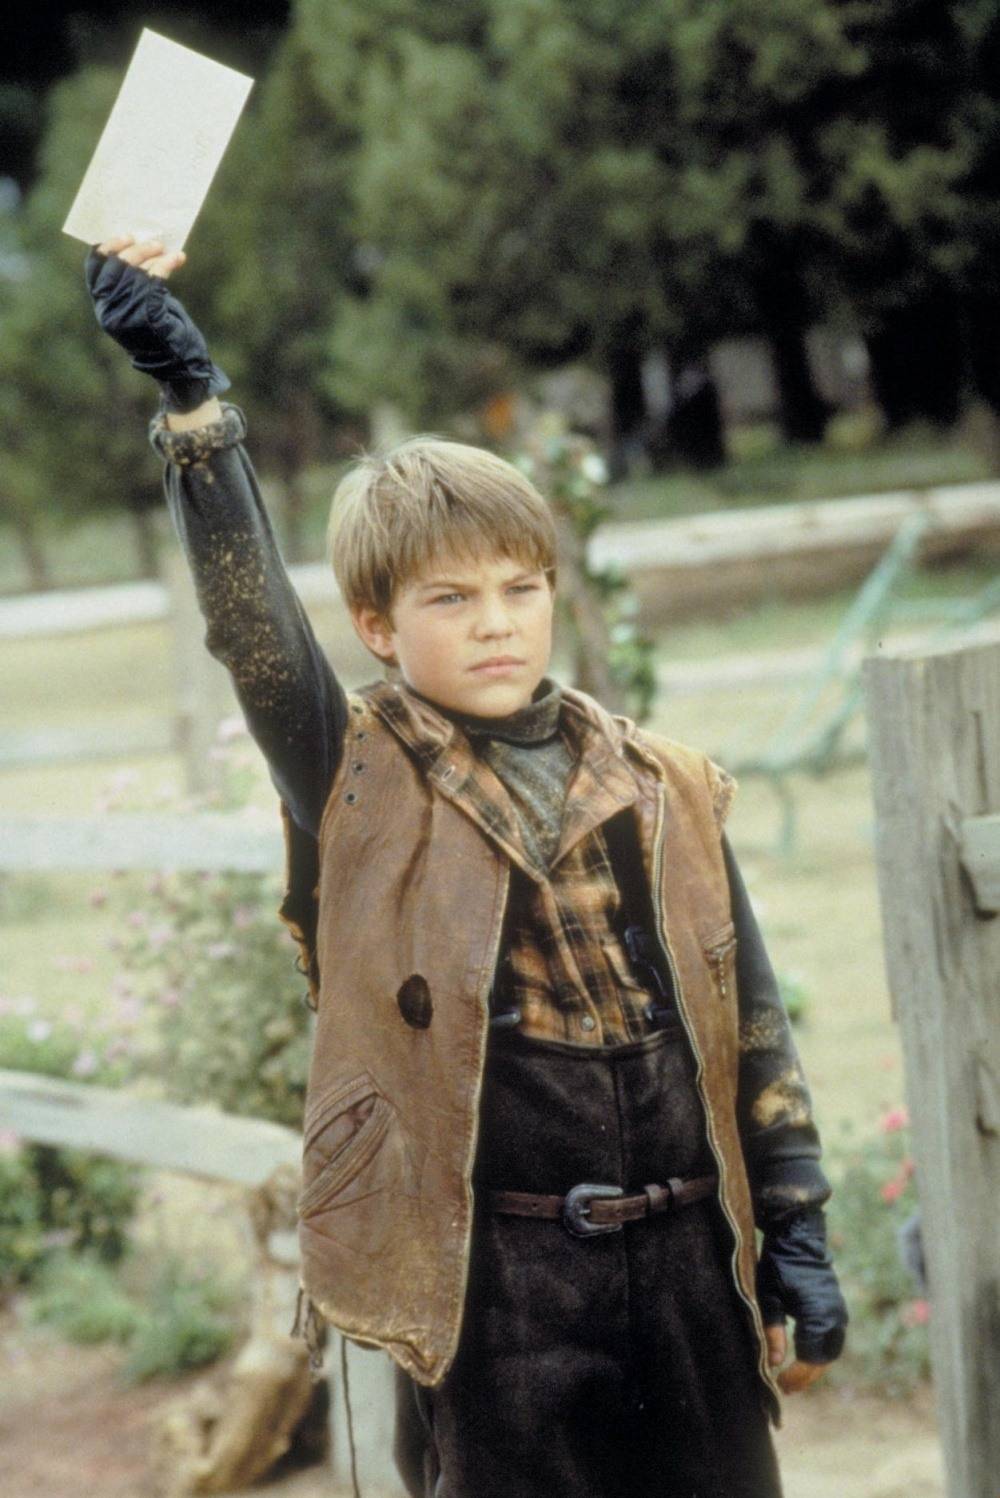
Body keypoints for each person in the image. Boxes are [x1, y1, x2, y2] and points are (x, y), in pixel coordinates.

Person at [86, 236, 848, 1498]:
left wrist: (798, 1231)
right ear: (377, 626)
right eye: (449, 599)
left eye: (519, 588)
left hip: (689, 1278)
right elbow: (254, 633)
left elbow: (751, 1023)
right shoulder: (356, 777)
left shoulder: (664, 784)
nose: (496, 622)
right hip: (496, 1291)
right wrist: (194, 409)